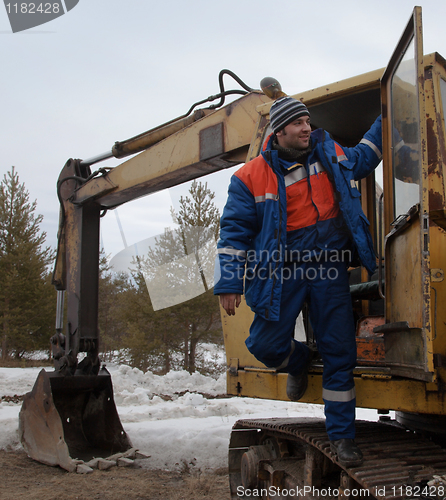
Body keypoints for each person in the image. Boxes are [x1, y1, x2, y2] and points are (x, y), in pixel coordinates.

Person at [214, 96, 382, 467]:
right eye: (299, 123)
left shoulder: (329, 151)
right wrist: (228, 282)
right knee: (264, 344)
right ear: (280, 131)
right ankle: (299, 359)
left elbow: (366, 156)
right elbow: (233, 234)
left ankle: (343, 437)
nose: (307, 127)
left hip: (329, 268)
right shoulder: (248, 177)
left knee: (340, 352)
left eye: (308, 121)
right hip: (282, 271)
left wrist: (393, 112)